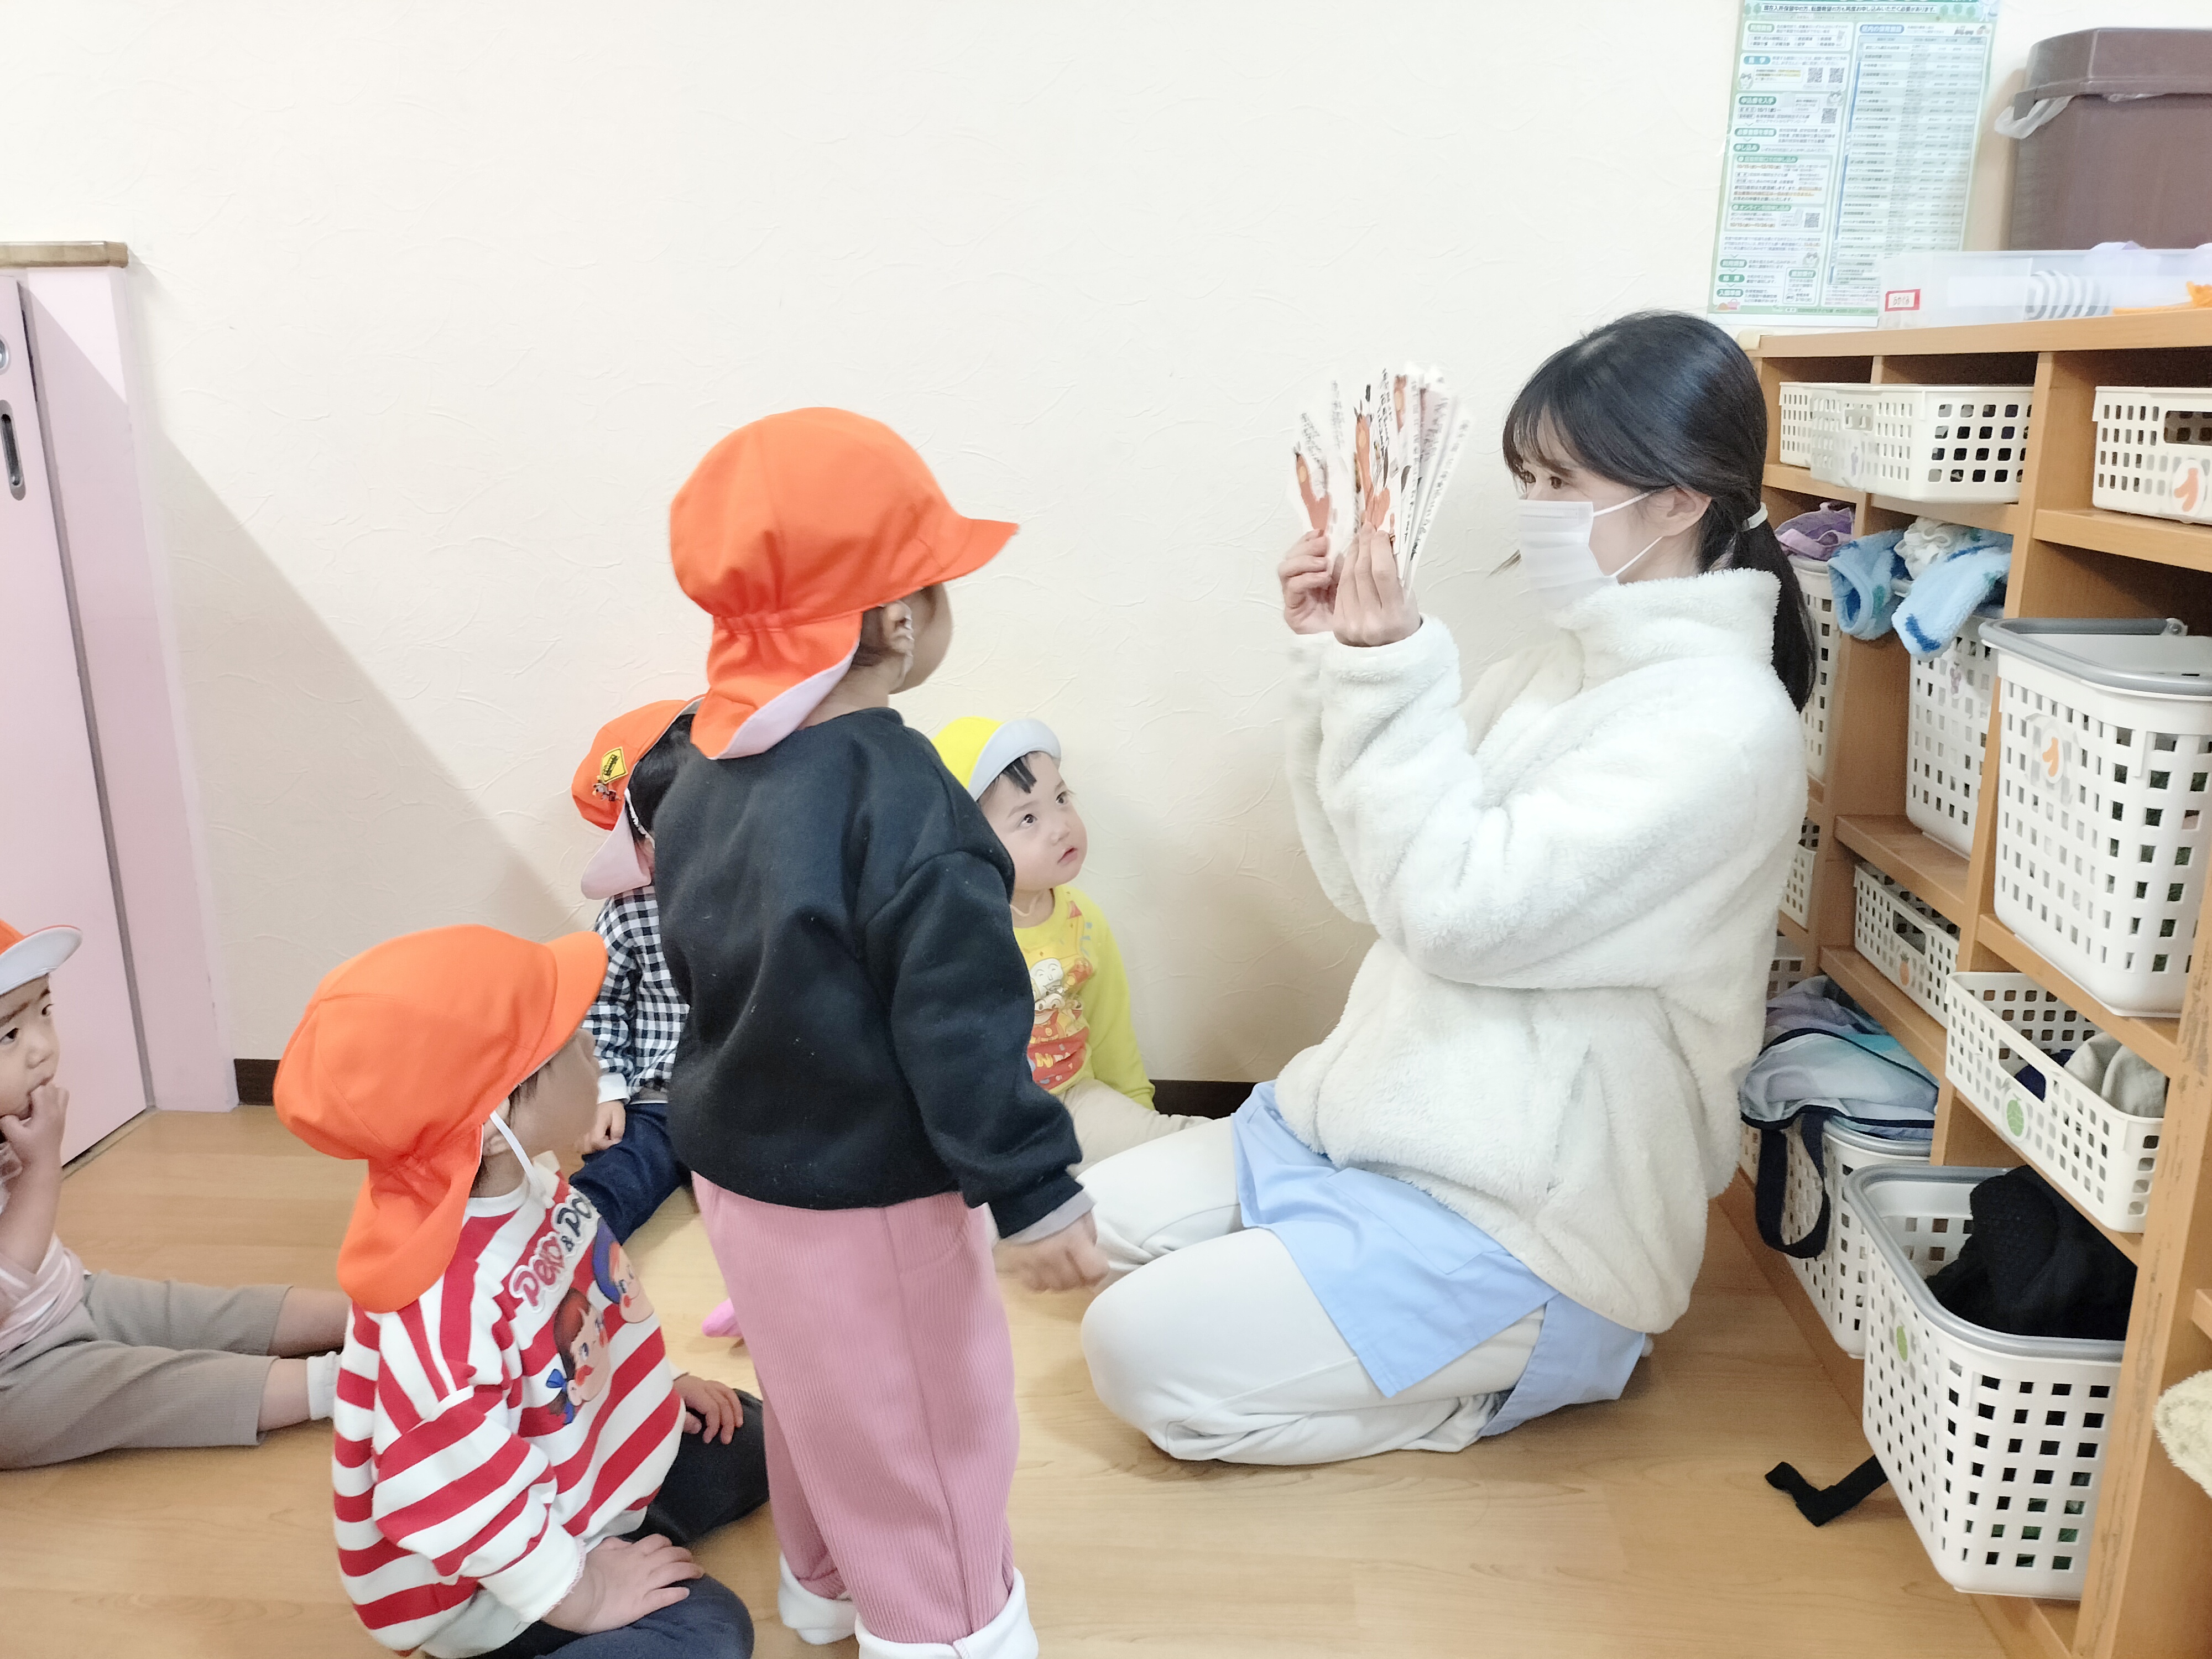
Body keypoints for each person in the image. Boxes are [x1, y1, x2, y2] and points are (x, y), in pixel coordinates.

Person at [1080, 311, 1814, 1466]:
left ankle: (1535, 1365)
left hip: (1530, 1209)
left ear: (1678, 501)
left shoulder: (1723, 730)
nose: (1532, 508)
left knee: (1134, 1352)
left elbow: (1457, 915)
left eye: (1560, 481)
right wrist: (1334, 660)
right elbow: (1367, 881)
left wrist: (1388, 672)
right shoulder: (1550, 672)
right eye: (1527, 478)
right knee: (1085, 1223)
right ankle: (1328, 1289)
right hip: (1377, 1116)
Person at [651, 408, 1105, 1659]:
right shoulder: (903, 799)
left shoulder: (696, 768)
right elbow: (960, 1016)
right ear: (898, 620)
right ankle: (947, 1630)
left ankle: (826, 1586)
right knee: (925, 1425)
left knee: (818, 1396)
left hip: (738, 1173)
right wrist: (1034, 1191)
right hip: (869, 1199)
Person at [274, 924, 769, 1658]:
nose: (593, 1048)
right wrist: (583, 1593)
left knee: (752, 1434)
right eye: (569, 1041)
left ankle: (621, 1532)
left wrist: (657, 1389)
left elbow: (579, 1323)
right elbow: (455, 1492)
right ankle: (582, 1588)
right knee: (711, 1637)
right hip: (490, 1576)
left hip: (571, 1473)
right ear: (495, 1116)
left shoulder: (527, 1184)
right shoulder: (439, 1307)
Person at [0, 915, 348, 1469]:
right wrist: (41, 1171)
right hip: (12, 1380)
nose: (42, 1047)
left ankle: (376, 1315)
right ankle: (350, 1383)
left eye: (45, 1011)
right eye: (9, 1036)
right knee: (148, 1390)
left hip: (66, 1299)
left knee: (197, 1312)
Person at [931, 716, 1194, 1172]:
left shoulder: (1082, 918)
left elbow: (1111, 1031)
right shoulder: (952, 933)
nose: (1060, 827)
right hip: (988, 1125)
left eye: (1061, 799)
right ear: (968, 842)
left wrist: (1138, 1118)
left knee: (1185, 1147)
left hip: (1075, 1099)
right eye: (1028, 818)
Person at [569, 698, 699, 1245]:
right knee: (619, 1176)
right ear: (641, 838)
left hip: (754, 1098)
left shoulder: (775, 894)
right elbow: (600, 1000)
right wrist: (606, 1088)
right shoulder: (630, 909)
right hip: (661, 1100)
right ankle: (562, 1245)